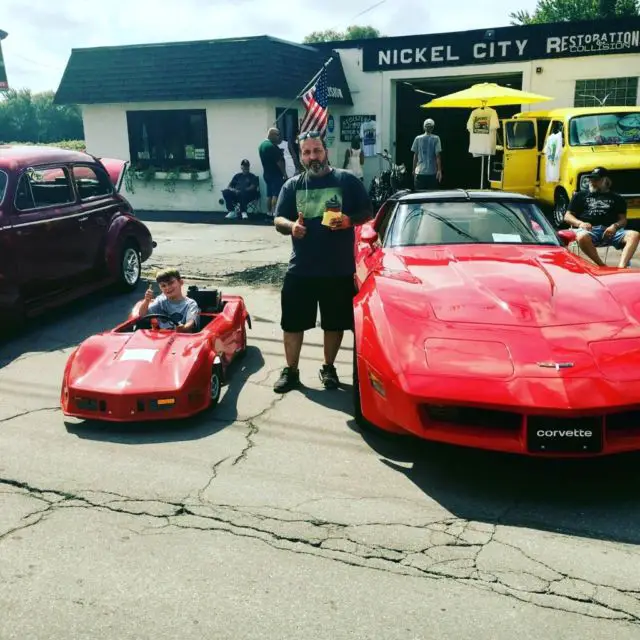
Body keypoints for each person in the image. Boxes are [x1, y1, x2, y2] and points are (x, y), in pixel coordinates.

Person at [272, 131, 373, 393]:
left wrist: (350, 221)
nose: (312, 157)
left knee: (334, 322)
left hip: (337, 268)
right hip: (301, 268)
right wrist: (292, 226)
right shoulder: (292, 185)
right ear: (301, 155)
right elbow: (278, 219)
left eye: (316, 151)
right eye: (306, 152)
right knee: (292, 322)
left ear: (325, 151)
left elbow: (367, 211)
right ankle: (291, 371)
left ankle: (328, 367)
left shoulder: (346, 180)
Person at [564, 166, 640, 268]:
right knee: (582, 236)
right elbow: (567, 216)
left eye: (596, 179)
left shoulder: (617, 198)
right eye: (591, 178)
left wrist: (615, 226)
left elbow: (623, 220)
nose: (592, 181)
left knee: (634, 235)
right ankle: (602, 266)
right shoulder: (580, 196)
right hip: (589, 231)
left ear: (606, 181)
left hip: (611, 231)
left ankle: (622, 267)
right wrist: (580, 223)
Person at [259, 127, 287, 217]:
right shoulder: (271, 146)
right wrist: (284, 173)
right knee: (276, 194)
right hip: (275, 174)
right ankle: (275, 213)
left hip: (266, 173)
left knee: (269, 195)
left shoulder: (262, 145)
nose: (279, 137)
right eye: (277, 135)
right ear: (272, 135)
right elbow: (279, 162)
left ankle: (269, 212)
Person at [411, 118, 442, 190]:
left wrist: (413, 169)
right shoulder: (436, 138)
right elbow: (438, 156)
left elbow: (415, 155)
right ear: (433, 127)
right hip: (431, 172)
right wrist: (439, 170)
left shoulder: (418, 138)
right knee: (431, 195)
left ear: (423, 127)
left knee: (419, 195)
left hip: (420, 172)